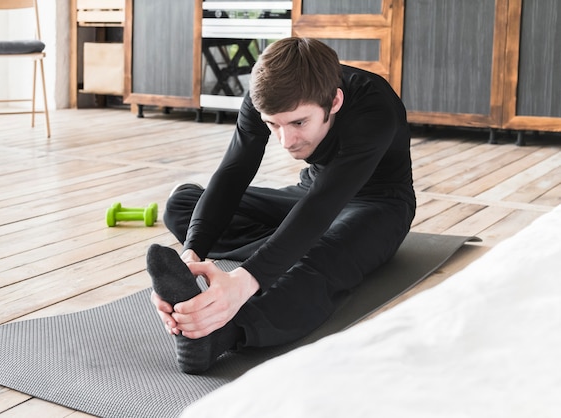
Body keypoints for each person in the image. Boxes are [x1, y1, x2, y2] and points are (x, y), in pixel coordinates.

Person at [146, 37, 416, 374]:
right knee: (183, 205)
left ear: (334, 101)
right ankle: (288, 247)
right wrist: (191, 255)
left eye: (299, 123)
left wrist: (244, 281)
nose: (285, 141)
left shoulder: (374, 106)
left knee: (323, 256)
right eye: (273, 124)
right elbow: (234, 172)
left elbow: (323, 206)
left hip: (378, 204)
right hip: (309, 193)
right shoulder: (265, 92)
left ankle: (222, 334)